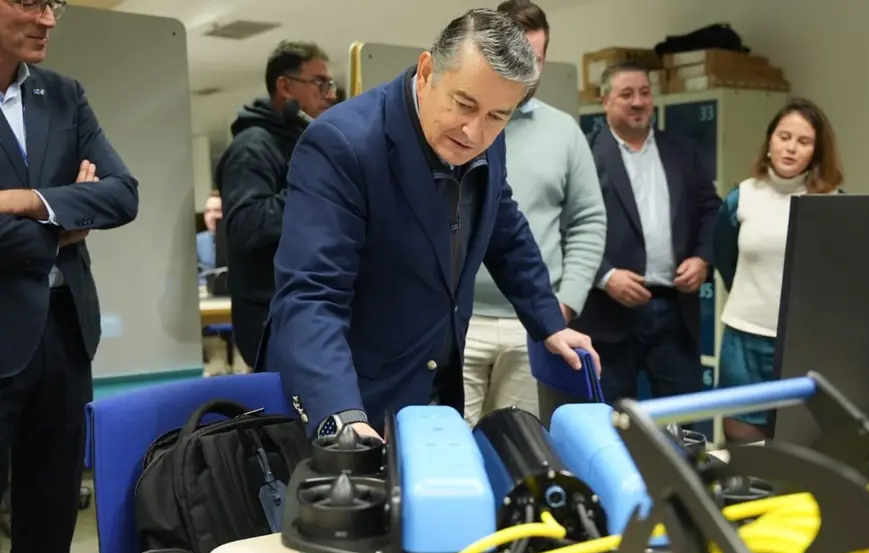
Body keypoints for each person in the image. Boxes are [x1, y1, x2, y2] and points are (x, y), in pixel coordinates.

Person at [262, 8, 599, 441]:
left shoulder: (485, 141)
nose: (475, 133)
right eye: (464, 104)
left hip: (433, 390)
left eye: (498, 116)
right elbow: (311, 295)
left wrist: (550, 324)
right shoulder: (342, 144)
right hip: (353, 394)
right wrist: (341, 415)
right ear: (427, 71)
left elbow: (505, 230)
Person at [0, 1, 139, 553]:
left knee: (52, 511)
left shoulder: (62, 93)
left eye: (53, 3)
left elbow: (121, 194)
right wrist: (63, 223)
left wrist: (28, 200)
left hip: (65, 333)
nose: (49, 19)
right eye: (30, 1)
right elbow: (90, 206)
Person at [462, 0, 605, 425]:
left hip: (537, 325)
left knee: (521, 450)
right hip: (459, 321)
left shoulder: (563, 131)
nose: (526, 71)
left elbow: (588, 222)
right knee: (448, 451)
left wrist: (562, 305)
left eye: (536, 60)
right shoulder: (461, 126)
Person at [572, 61, 720, 404]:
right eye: (627, 95)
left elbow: (711, 210)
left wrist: (702, 259)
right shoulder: (584, 156)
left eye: (644, 93)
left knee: (683, 420)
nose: (638, 102)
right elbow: (565, 228)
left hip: (674, 311)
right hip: (608, 313)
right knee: (611, 422)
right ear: (605, 101)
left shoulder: (682, 150)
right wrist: (605, 276)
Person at [713, 98, 843, 442]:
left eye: (803, 142)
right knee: (744, 445)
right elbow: (724, 258)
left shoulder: (832, 203)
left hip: (803, 345)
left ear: (816, 152)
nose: (791, 148)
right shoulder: (742, 197)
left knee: (797, 445)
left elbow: (839, 277)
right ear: (769, 141)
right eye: (784, 137)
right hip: (744, 340)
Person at [216, 40, 335, 368]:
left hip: (306, 307)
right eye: (320, 83)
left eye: (330, 84)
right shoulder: (252, 147)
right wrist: (317, 190)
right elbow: (245, 225)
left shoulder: (303, 141)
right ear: (285, 86)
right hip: (268, 316)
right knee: (285, 418)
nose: (331, 94)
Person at [196, 189, 222, 274]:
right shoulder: (196, 242)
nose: (212, 216)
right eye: (208, 211)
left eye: (217, 210)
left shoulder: (241, 241)